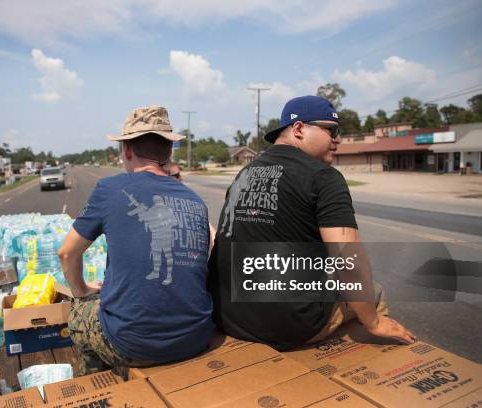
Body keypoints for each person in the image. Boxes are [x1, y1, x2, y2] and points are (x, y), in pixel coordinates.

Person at [208, 95, 415, 349]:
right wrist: (374, 323)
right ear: (299, 129)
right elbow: (347, 260)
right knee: (374, 291)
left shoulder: (244, 173)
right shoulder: (324, 177)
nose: (337, 138)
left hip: (228, 317)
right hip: (288, 326)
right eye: (332, 130)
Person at [59, 106, 214, 375]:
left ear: (127, 149)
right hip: (197, 338)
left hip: (133, 345)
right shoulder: (196, 201)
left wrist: (82, 290)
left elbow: (67, 254)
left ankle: (98, 384)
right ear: (169, 151)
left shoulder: (109, 189)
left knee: (78, 314)